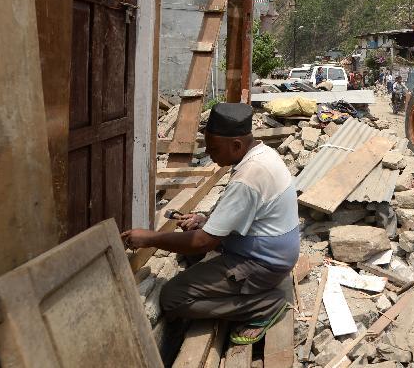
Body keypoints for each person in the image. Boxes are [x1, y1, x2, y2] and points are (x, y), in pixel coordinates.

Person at [121, 103, 299, 346]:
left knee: (172, 297)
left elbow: (203, 242)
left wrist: (149, 239)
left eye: (214, 148)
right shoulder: (263, 154)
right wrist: (205, 221)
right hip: (271, 253)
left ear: (236, 145)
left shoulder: (248, 178)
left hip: (264, 264)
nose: (210, 154)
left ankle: (264, 306)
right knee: (196, 246)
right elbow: (248, 215)